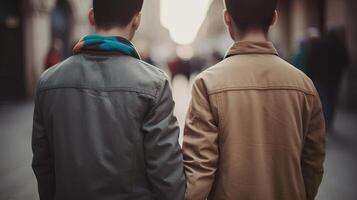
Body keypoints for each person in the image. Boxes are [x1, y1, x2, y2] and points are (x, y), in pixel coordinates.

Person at [32, 0, 185, 199]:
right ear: (136, 21)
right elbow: (167, 177)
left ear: (92, 17)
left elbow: (43, 166)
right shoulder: (154, 84)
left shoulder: (48, 82)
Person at [183, 0, 326, 199]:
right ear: (274, 17)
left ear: (227, 18)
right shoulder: (304, 85)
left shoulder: (207, 83)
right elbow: (313, 162)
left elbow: (199, 170)